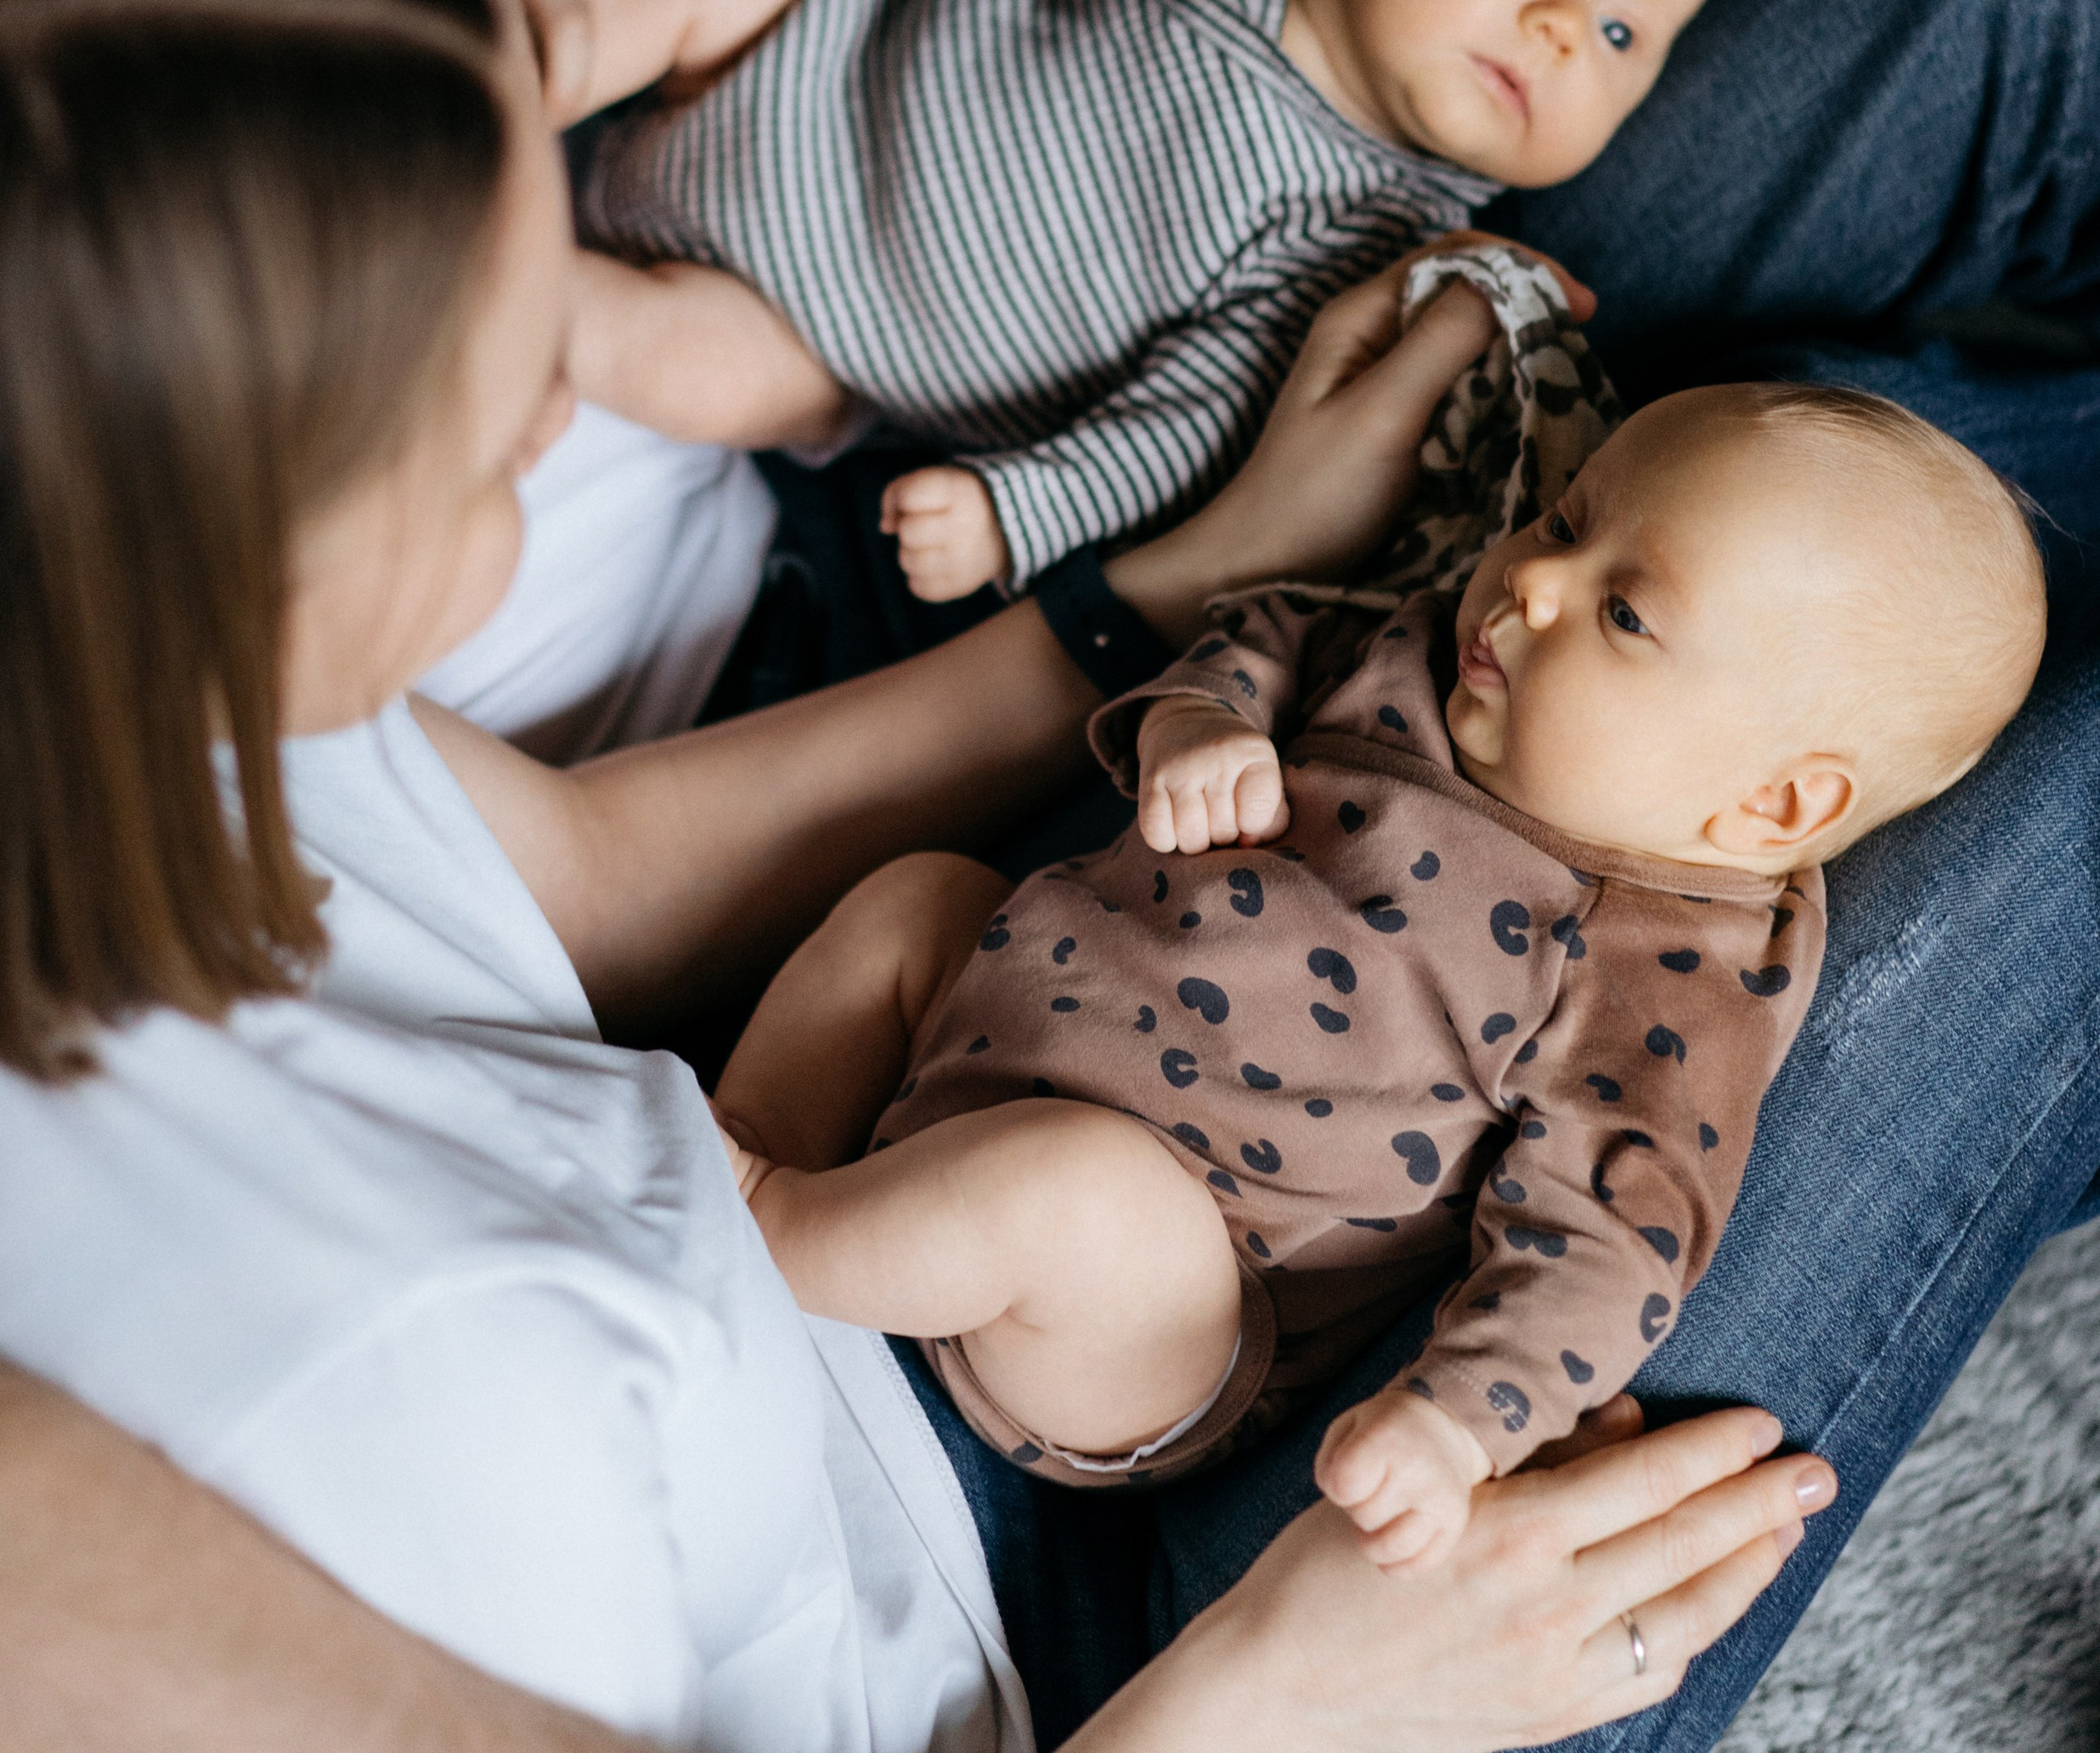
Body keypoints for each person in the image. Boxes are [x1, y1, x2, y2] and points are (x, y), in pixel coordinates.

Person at [0, 0, 2097, 1753]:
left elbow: (586, 869)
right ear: (217, 554)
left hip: (935, 933)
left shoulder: (80, 707)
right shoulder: (151, 1571)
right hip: (1065, 1751)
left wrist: (1164, 591)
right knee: (1992, 635)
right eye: (506, 418)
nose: (566, 408)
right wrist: (1289, 1685)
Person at [719, 382, 2042, 1558]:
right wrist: (1199, 719)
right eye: (1567, 523)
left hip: (1154, 1304)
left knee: (1073, 1197)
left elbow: (1611, 1237)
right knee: (920, 901)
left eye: (1624, 613)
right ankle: (750, 1131)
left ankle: (753, 1225)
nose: (1533, 583)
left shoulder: (1659, 965)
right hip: (996, 1019)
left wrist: (1459, 1420)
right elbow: (1272, 629)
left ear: (1773, 808)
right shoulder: (1431, 652)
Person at [547, 0, 1731, 602]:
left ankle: (499, 285)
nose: (1563, 25)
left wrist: (1024, 510)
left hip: (806, 322)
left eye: (1623, 32)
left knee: (696, 379)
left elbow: (1186, 429)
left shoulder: (1379, 250)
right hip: (809, 38)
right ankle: (474, 72)